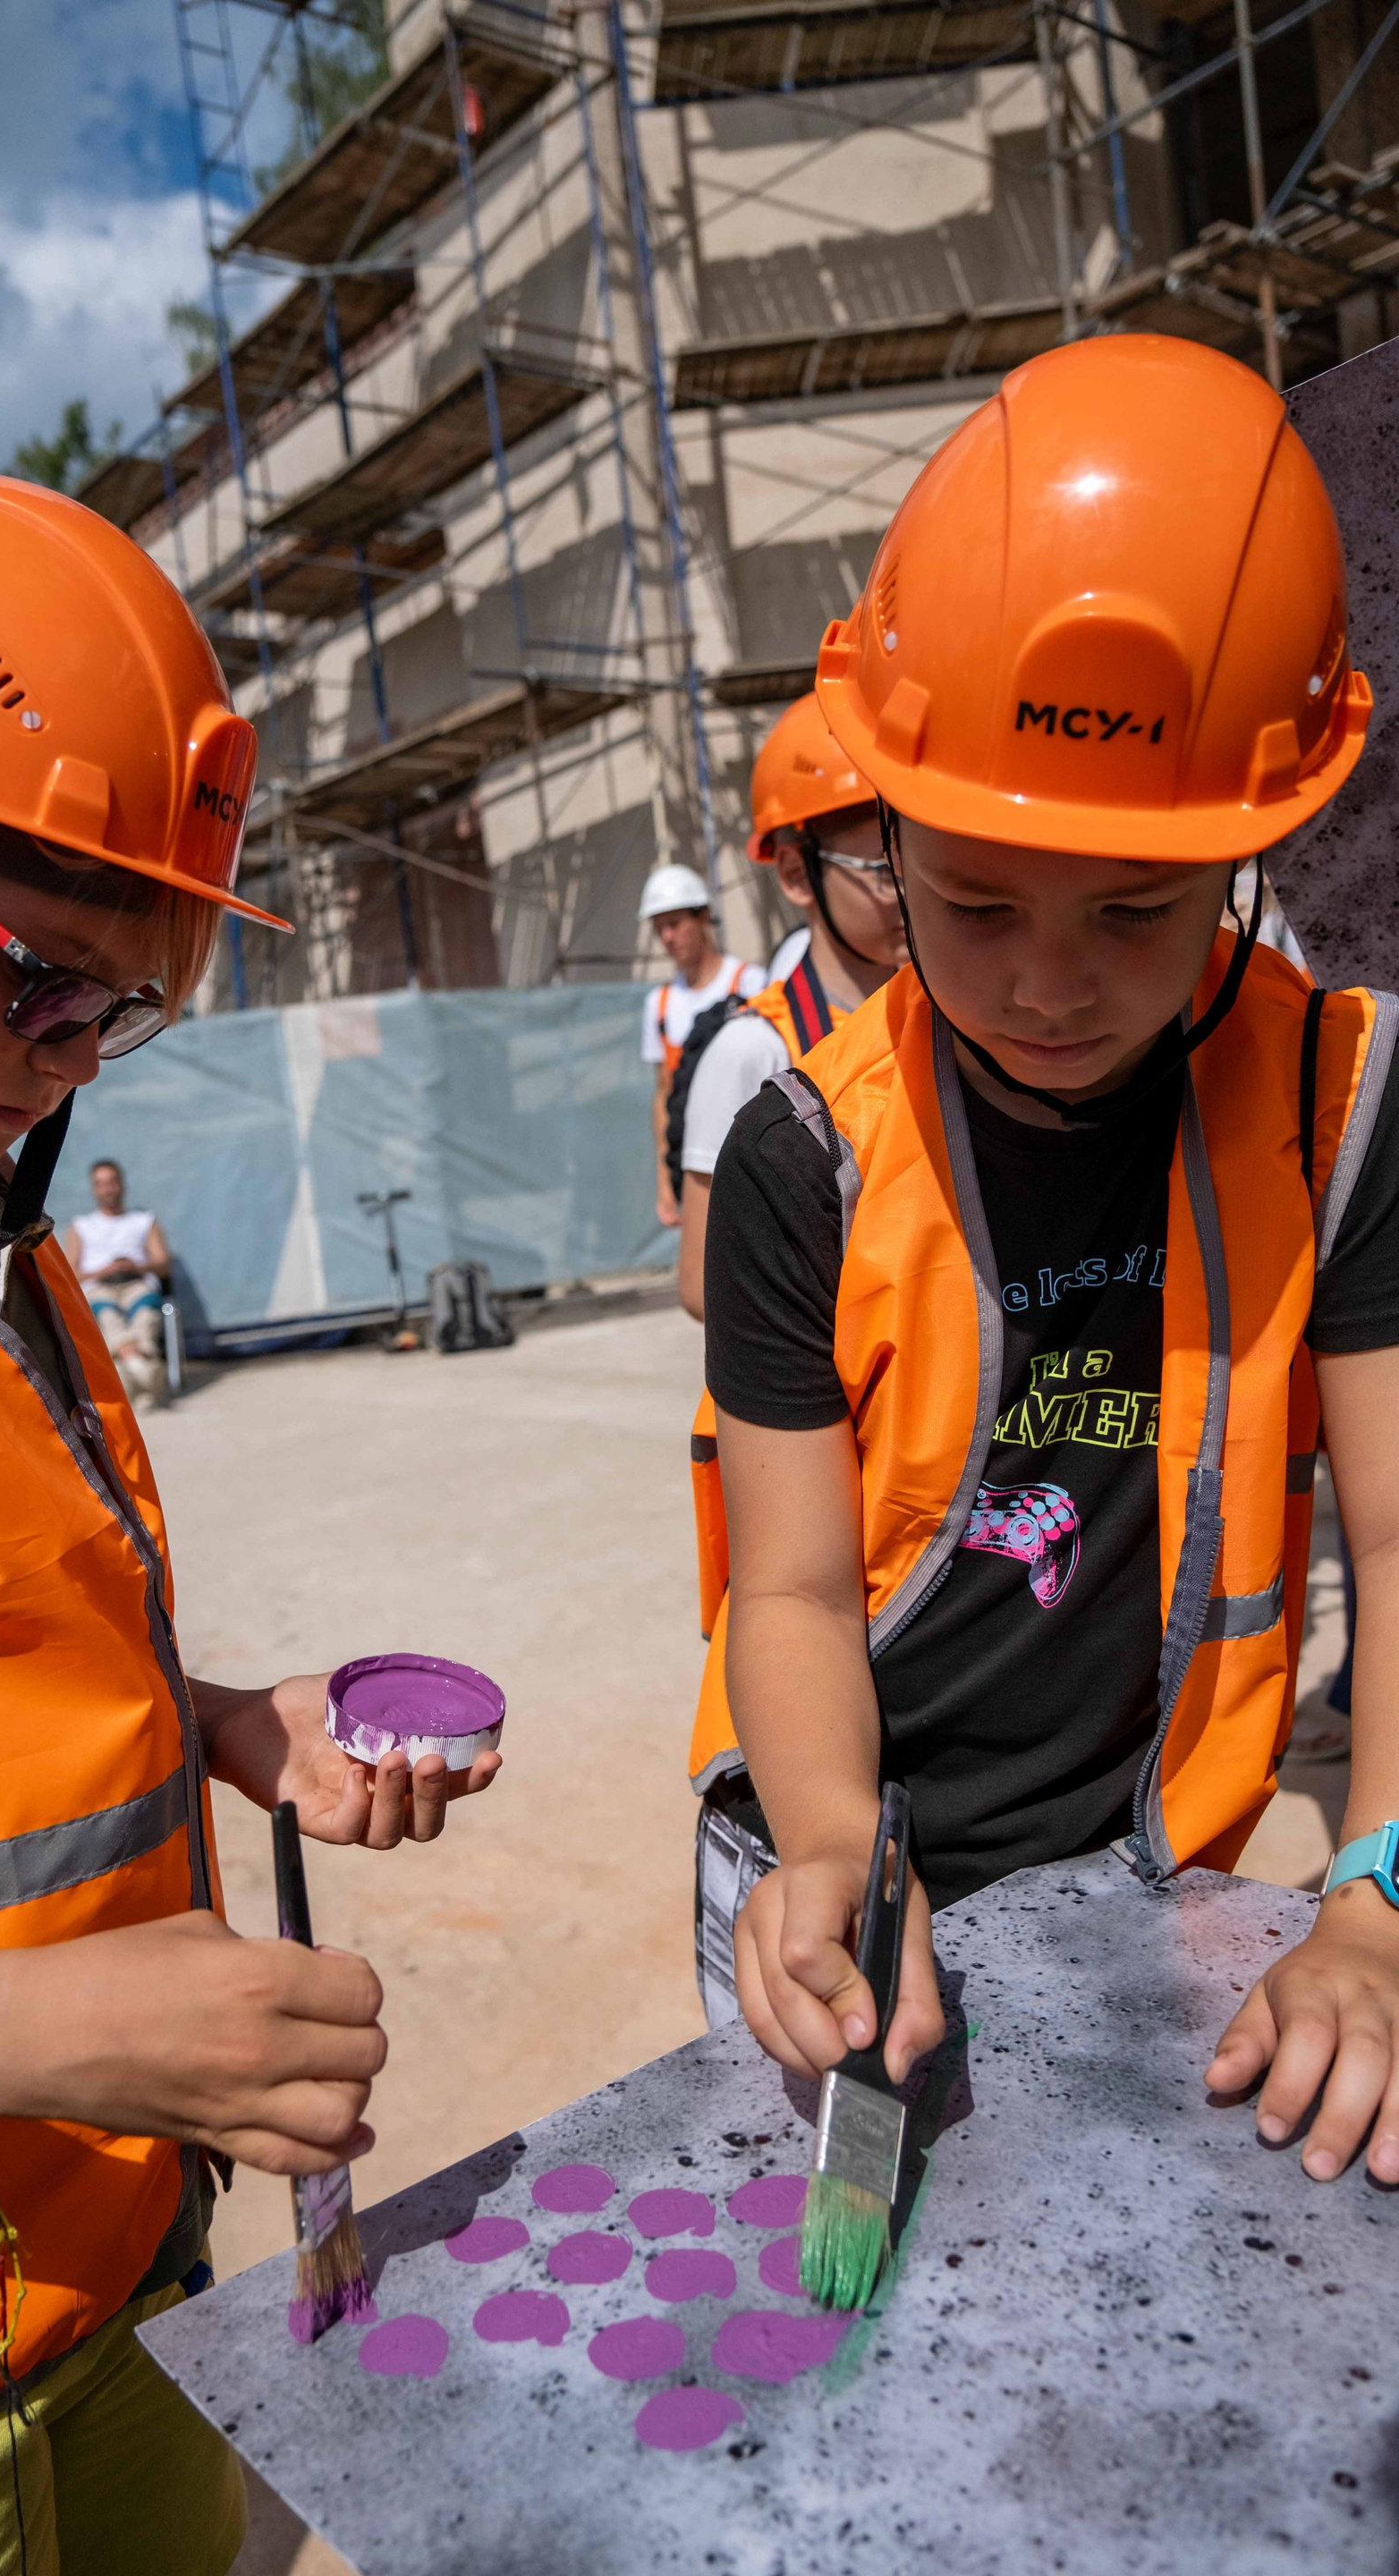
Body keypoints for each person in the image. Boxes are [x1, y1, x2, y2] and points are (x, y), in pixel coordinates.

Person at [0, 471, 499, 2574]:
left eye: (128, 1014)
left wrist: (222, 1723)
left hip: (119, 2273)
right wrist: (21, 2031)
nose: (75, 1069)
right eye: (45, 986)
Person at [696, 334, 1399, 2196]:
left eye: (1139, 912)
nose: (1049, 984)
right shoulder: (803, 1155)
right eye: (978, 901)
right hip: (846, 1844)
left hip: (1159, 1874)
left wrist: (1378, 1896)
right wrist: (831, 1849)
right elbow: (791, 1590)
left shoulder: (1339, 1101)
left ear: (1254, 848)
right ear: (881, 836)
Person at [674, 695, 904, 1319]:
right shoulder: (753, 1052)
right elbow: (700, 1284)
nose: (913, 888)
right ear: (797, 873)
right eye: (884, 867)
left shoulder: (946, 1017)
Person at [637, 862, 763, 1229]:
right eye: (659, 928)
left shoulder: (750, 983)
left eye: (675, 924)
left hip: (749, 1157)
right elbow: (664, 1094)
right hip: (695, 1168)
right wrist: (665, 1181)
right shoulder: (659, 1005)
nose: (667, 937)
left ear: (703, 917)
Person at [66, 1159, 172, 1408]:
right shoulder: (81, 1226)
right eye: (101, 1184)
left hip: (137, 1283)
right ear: (94, 1189)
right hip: (99, 1287)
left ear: (121, 1184)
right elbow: (69, 1274)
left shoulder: (144, 1221)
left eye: (112, 1182)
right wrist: (104, 1270)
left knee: (145, 1315)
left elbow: (164, 1265)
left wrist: (136, 1266)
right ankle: (141, 1367)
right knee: (106, 1314)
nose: (108, 1189)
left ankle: (132, 1372)